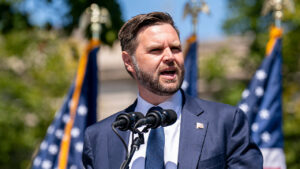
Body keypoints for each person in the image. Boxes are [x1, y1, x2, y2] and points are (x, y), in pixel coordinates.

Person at [82, 12, 263, 169]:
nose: (170, 57)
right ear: (129, 62)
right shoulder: (100, 136)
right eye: (156, 50)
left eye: (175, 48)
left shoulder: (226, 123)